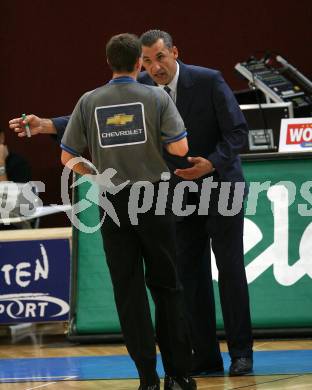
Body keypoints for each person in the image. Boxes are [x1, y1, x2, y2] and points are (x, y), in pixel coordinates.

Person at [9, 29, 253, 376]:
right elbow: (95, 111)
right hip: (177, 192)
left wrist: (211, 162)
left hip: (221, 186)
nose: (154, 69)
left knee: (229, 270)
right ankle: (206, 357)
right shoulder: (141, 88)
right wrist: (47, 125)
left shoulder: (208, 81)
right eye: (148, 62)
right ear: (140, 61)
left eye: (160, 59)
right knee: (189, 276)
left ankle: (242, 353)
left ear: (175, 53)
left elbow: (237, 132)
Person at [60, 33, 196, 390]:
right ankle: (179, 376)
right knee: (167, 286)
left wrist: (96, 174)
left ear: (109, 63)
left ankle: (147, 379)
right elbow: (180, 147)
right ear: (139, 63)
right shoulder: (155, 97)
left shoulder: (89, 101)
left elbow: (66, 156)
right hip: (154, 197)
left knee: (128, 289)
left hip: (113, 201)